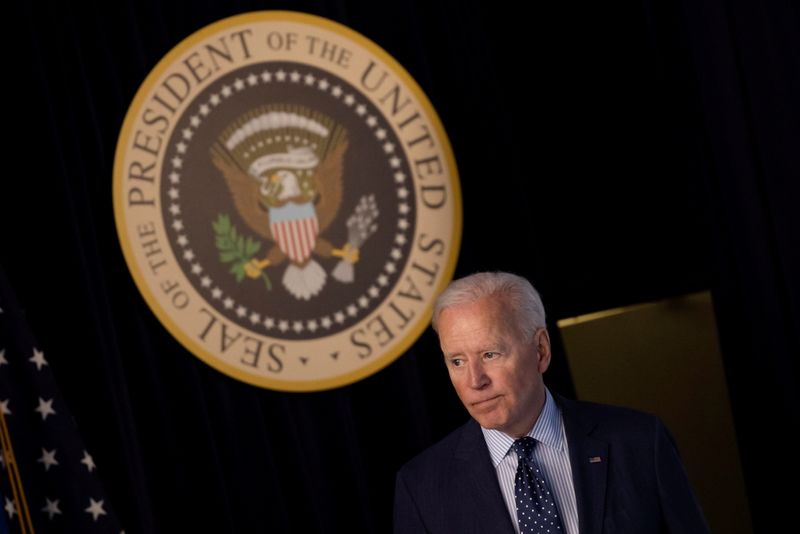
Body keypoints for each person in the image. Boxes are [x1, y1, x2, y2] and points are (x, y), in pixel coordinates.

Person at [393, 272, 709, 533]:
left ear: (541, 350)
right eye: (457, 361)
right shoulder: (422, 487)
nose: (475, 381)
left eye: (490, 354)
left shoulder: (640, 442)